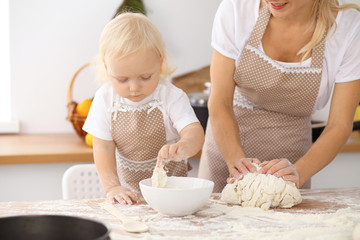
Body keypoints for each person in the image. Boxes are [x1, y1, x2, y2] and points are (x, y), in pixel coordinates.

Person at [198, 0, 360, 192]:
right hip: (226, 152)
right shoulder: (237, 8)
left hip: (293, 159)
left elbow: (339, 125)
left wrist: (298, 172)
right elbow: (220, 102)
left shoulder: (349, 29)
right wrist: (236, 162)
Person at [83, 13, 204, 204]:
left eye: (145, 77)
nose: (134, 88)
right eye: (122, 79)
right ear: (107, 69)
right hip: (128, 196)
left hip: (172, 193)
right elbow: (103, 146)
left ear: (160, 63)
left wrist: (184, 146)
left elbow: (194, 132)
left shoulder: (171, 96)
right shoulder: (104, 99)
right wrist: (113, 187)